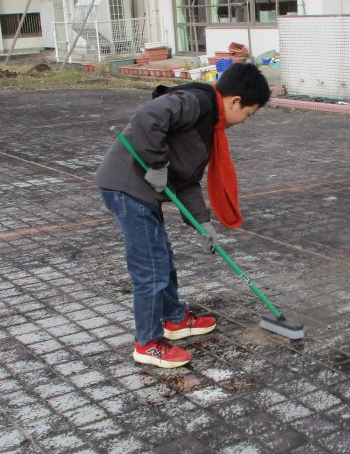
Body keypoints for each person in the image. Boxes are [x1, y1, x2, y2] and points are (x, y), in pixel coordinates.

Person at [96, 62, 271, 368]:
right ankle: (148, 343)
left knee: (161, 257)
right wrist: (157, 164)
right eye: (249, 113)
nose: (244, 121)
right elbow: (148, 116)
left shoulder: (208, 124)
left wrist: (202, 223)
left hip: (141, 192)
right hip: (127, 188)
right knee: (151, 267)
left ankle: (174, 319)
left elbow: (187, 181)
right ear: (235, 102)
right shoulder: (196, 102)